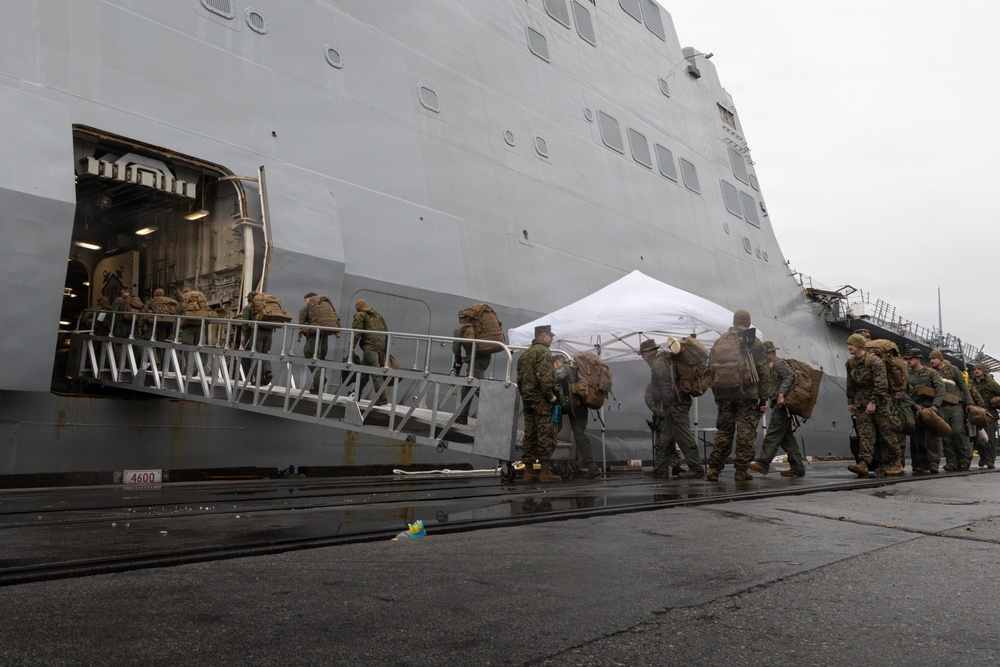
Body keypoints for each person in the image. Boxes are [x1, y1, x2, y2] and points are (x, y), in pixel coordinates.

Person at [706, 309, 770, 482]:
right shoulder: (753, 342)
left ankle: (714, 468)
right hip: (747, 395)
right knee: (745, 432)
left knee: (724, 431)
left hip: (725, 394)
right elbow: (764, 372)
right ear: (748, 323)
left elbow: (710, 369)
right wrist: (764, 398)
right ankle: (741, 471)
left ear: (734, 322)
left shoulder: (720, 341)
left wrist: (717, 393)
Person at [639, 338, 704, 480]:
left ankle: (697, 469)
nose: (643, 358)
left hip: (676, 405)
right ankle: (660, 470)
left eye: (643, 354)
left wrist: (669, 403)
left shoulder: (659, 363)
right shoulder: (663, 360)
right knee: (665, 439)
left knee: (684, 438)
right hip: (674, 406)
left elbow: (666, 386)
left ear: (650, 352)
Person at [845, 333, 903, 477]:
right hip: (861, 403)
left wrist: (873, 402)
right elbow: (850, 383)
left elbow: (881, 384)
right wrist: (850, 401)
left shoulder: (875, 362)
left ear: (858, 345)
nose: (848, 347)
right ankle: (864, 463)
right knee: (865, 434)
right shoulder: (850, 363)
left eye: (851, 344)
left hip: (880, 403)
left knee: (887, 433)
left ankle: (896, 463)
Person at [749, 341, 806, 477]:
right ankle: (798, 467)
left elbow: (789, 376)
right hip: (778, 403)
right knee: (787, 439)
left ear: (770, 353)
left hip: (782, 405)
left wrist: (781, 394)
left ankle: (763, 463)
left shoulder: (779, 363)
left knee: (773, 433)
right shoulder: (771, 366)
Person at [516, 324, 560, 483]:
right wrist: (550, 396)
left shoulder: (525, 354)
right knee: (545, 433)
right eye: (550, 336)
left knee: (530, 434)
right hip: (541, 400)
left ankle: (528, 471)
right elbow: (545, 376)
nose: (552, 338)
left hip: (528, 399)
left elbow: (519, 379)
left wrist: (525, 395)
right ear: (542, 336)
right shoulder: (543, 352)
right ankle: (544, 471)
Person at [553, 355, 600, 479]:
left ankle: (546, 463)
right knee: (580, 434)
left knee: (553, 428)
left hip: (569, 406)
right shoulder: (576, 369)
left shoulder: (563, 367)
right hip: (581, 406)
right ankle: (591, 465)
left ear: (557, 362)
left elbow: (560, 376)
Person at [927, 350, 973, 471]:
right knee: (946, 434)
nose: (931, 361)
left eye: (933, 358)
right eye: (930, 359)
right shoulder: (931, 372)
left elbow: (963, 385)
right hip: (941, 406)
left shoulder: (953, 369)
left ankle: (963, 459)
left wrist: (969, 402)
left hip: (955, 405)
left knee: (958, 431)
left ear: (940, 359)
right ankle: (951, 461)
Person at [903, 348, 945, 475]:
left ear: (918, 359)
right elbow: (903, 392)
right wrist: (914, 405)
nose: (908, 361)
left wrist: (935, 406)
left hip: (931, 409)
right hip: (916, 410)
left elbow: (941, 389)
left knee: (933, 439)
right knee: (918, 439)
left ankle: (934, 464)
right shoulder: (906, 375)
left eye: (911, 358)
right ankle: (922, 464)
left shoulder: (930, 373)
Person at [452, 309, 492, 425]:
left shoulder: (460, 329)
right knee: (467, 387)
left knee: (480, 389)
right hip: (484, 359)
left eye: (460, 318)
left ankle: (497, 414)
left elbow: (456, 349)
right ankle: (462, 416)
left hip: (476, 361)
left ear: (461, 318)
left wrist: (458, 361)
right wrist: (468, 358)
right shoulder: (479, 327)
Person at [352, 298, 388, 405]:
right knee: (363, 373)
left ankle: (382, 396)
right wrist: (384, 348)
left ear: (358, 307)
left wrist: (352, 346)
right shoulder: (377, 315)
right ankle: (356, 393)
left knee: (375, 371)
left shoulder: (360, 315)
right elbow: (386, 331)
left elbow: (356, 331)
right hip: (379, 347)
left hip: (369, 347)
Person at [969, 364, 1000, 468]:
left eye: (978, 369)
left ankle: (990, 461)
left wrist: (996, 401)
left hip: (990, 414)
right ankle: (983, 455)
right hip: (976, 414)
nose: (976, 371)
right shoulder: (971, 383)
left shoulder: (991, 383)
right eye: (974, 369)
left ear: (983, 371)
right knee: (976, 439)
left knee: (990, 439)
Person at [241, 291, 273, 385]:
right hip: (269, 331)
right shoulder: (266, 306)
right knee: (264, 353)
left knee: (255, 354)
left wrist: (244, 335)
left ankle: (257, 379)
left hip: (257, 332)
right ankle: (268, 372)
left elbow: (245, 323)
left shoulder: (248, 307)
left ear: (249, 299)